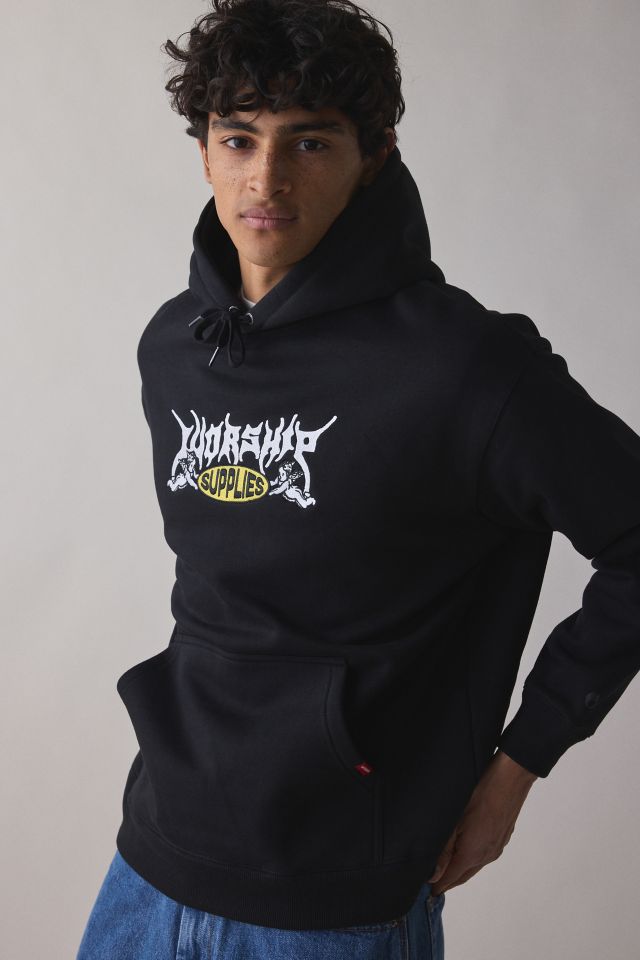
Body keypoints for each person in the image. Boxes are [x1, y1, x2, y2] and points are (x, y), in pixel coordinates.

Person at [76, 0, 640, 957]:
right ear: (204, 152)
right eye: (239, 138)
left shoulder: (466, 367)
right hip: (153, 860)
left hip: (339, 900)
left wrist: (517, 767)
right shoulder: (174, 345)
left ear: (374, 156)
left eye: (310, 143)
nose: (266, 178)